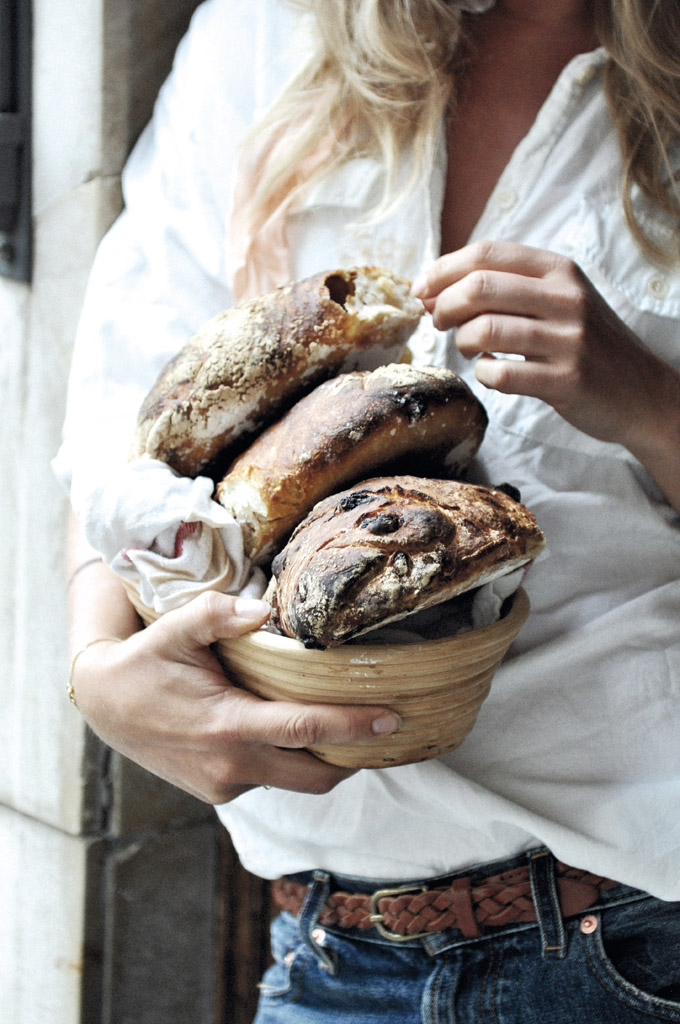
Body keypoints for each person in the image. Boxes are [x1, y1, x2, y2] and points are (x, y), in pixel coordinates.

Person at [55, 0, 680, 1020]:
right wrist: (100, 675)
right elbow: (118, 439)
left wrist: (648, 402)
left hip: (634, 942)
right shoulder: (265, 35)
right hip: (331, 955)